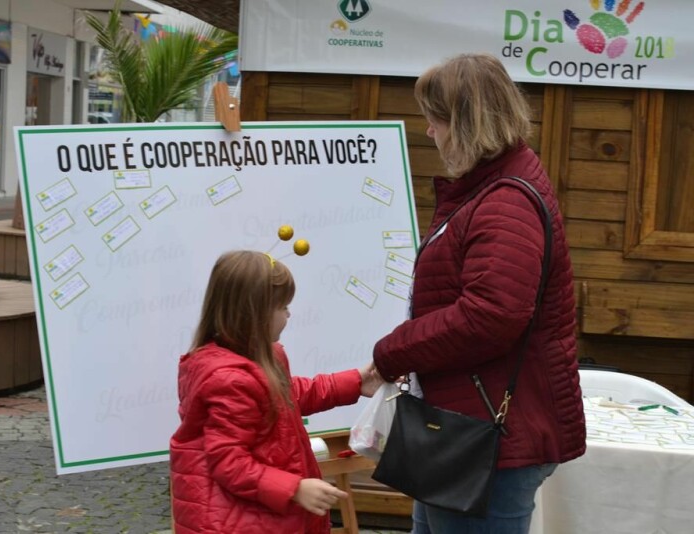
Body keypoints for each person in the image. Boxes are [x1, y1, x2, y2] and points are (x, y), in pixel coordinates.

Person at [372, 53, 586, 533]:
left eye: (437, 120)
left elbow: (491, 315)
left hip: (488, 442)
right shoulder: (488, 187)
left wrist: (392, 352)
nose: (430, 132)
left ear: (468, 123)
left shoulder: (505, 201)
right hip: (463, 430)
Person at [170, 250, 382, 534]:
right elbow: (229, 462)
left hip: (261, 515)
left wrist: (356, 382)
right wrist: (294, 489)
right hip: (234, 522)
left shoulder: (259, 359)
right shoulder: (229, 380)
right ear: (253, 313)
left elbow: (288, 396)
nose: (289, 313)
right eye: (282, 307)